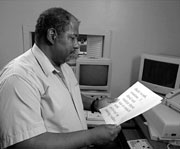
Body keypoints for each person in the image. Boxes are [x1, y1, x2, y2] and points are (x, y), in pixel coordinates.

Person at [0, 7, 121, 149]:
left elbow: (69, 95)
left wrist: (95, 104)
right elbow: (25, 144)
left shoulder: (63, 66)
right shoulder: (19, 78)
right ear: (52, 35)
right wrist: (91, 136)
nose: (77, 45)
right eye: (72, 37)